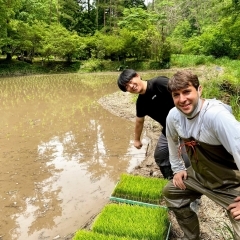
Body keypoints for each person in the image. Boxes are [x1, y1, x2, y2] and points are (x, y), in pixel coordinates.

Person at [163, 70, 240, 239]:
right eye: (176, 95)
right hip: (199, 175)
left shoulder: (217, 117)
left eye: (187, 92)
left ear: (199, 90)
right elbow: (171, 140)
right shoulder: (173, 116)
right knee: (172, 192)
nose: (182, 99)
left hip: (230, 183)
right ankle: (192, 237)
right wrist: (177, 169)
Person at [117, 69, 190, 179]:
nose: (131, 86)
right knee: (160, 155)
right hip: (169, 129)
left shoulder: (159, 83)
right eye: (127, 86)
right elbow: (139, 121)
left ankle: (196, 184)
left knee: (188, 157)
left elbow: (182, 93)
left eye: (131, 81)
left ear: (137, 75)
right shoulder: (141, 102)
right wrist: (137, 140)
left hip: (186, 124)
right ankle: (171, 178)